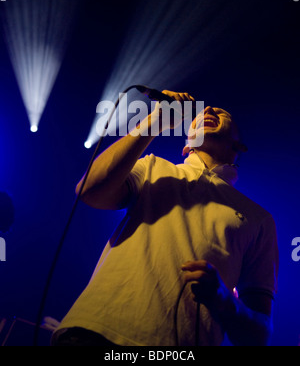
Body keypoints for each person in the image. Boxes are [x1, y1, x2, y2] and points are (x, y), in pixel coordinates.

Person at [52, 90, 279, 346]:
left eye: (221, 113)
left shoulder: (259, 219)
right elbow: (90, 190)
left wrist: (224, 300)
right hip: (93, 332)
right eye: (203, 113)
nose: (209, 111)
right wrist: (156, 120)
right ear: (186, 144)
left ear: (240, 146)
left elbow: (259, 334)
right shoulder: (153, 167)